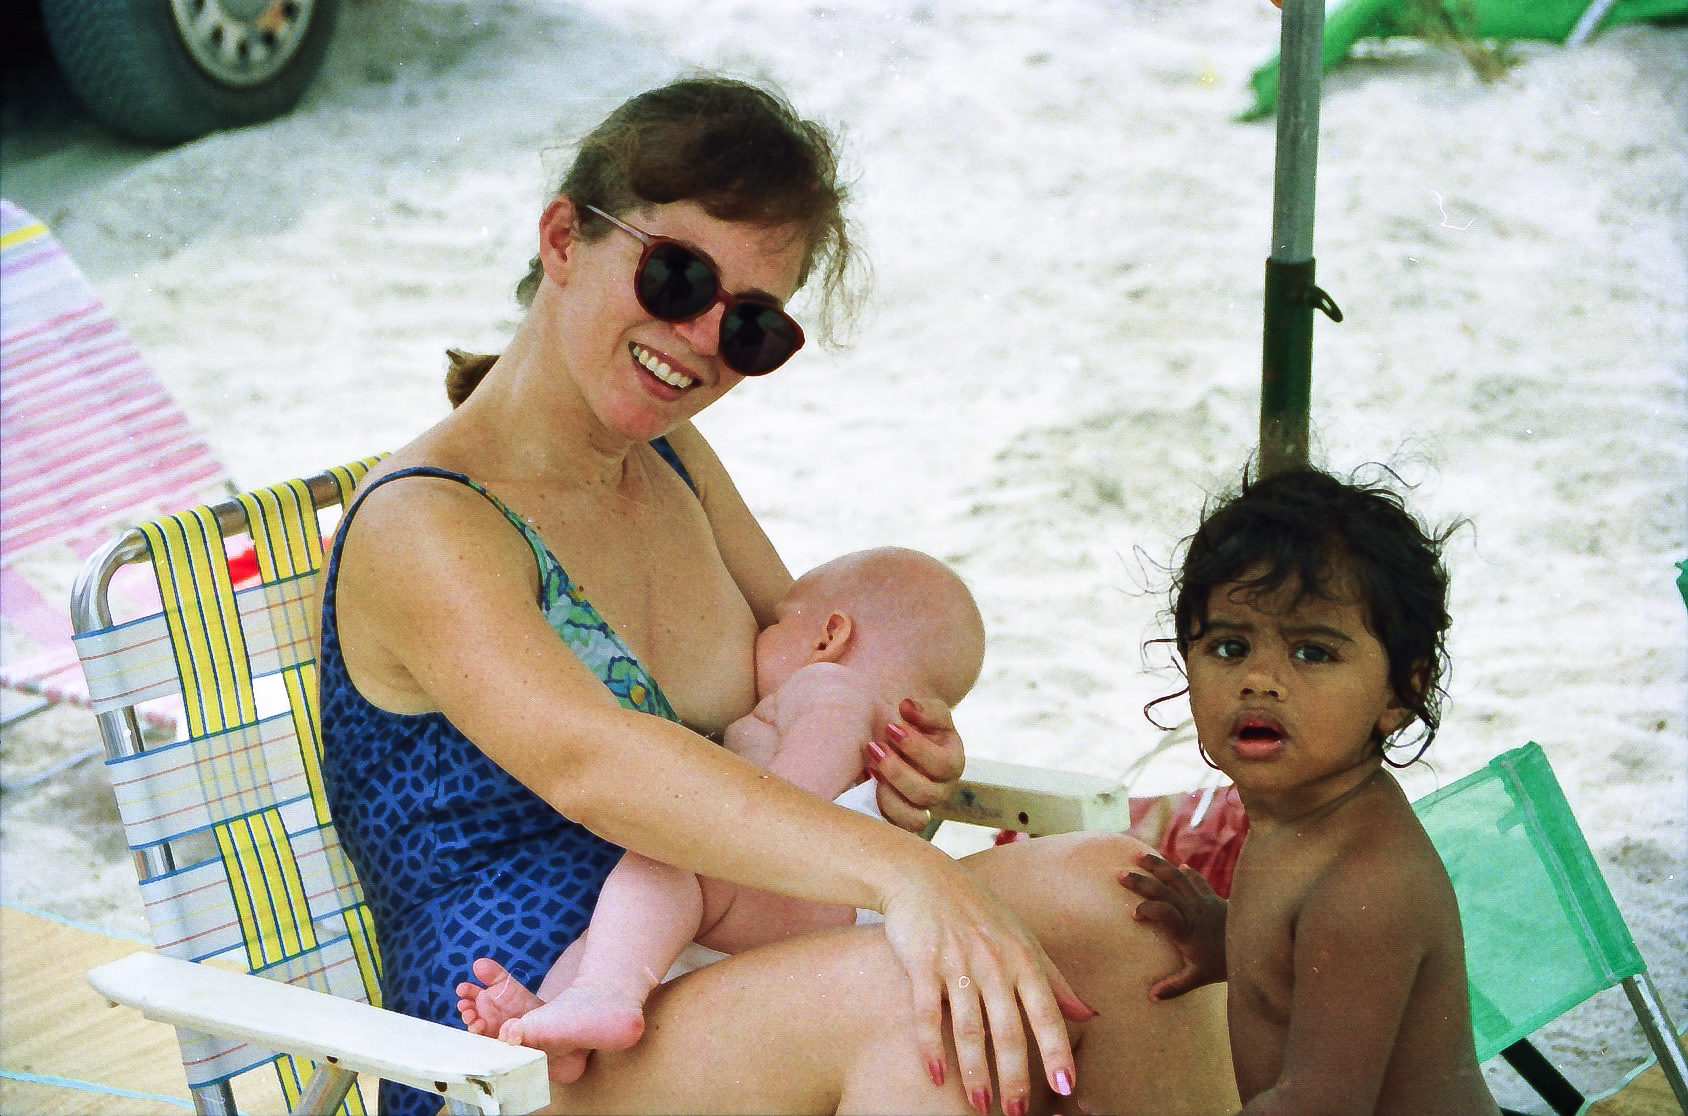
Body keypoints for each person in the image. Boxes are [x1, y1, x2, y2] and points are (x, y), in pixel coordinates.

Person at [318, 75, 1235, 1116]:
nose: (702, 339)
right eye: (677, 277)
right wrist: (902, 874)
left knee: (1125, 903)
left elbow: (811, 677)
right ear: (564, 239)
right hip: (521, 1038)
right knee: (914, 1007)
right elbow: (596, 767)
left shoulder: (670, 461)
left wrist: (896, 776)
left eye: (752, 326)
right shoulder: (428, 522)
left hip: (730, 954)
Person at [456, 546, 988, 1081]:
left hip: (802, 877)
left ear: (829, 636)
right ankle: (561, 1021)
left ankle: (600, 996)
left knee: (662, 860)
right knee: (616, 933)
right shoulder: (877, 719)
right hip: (827, 903)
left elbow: (797, 796)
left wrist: (720, 828)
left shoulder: (829, 685)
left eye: (775, 623)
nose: (758, 637)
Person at [1123, 467, 1501, 1116]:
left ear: (1401, 692)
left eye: (1313, 653)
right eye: (1230, 646)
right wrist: (1225, 938)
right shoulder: (1297, 818)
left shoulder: (1365, 887)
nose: (1260, 679)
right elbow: (1301, 974)